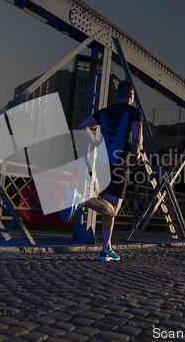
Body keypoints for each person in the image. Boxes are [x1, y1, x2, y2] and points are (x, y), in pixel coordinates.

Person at [61, 81, 143, 261]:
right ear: (131, 96)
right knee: (113, 210)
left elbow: (83, 126)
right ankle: (80, 199)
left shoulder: (104, 112)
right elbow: (137, 137)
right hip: (119, 162)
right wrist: (137, 154)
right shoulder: (134, 112)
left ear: (118, 95)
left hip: (102, 162)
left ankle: (106, 249)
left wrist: (97, 143)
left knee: (109, 206)